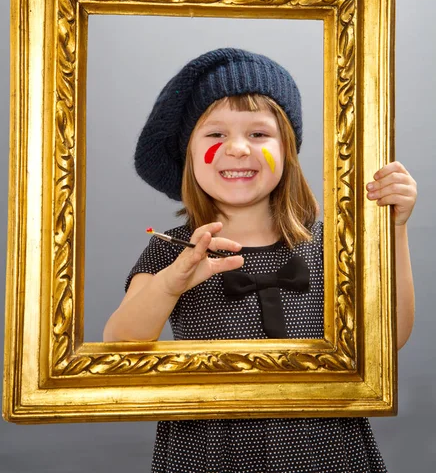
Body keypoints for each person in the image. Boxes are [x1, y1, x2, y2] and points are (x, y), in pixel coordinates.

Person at [104, 48, 416, 473]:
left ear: (287, 150)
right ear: (188, 154)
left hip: (326, 448)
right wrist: (169, 284)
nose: (236, 149)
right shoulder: (172, 249)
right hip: (208, 452)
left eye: (258, 134)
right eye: (215, 135)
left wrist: (394, 231)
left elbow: (389, 337)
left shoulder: (330, 245)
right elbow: (120, 343)